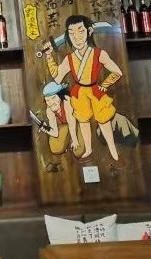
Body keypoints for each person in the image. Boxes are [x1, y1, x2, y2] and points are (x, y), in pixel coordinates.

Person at [44, 15, 123, 161]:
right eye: (71, 33)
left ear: (89, 31)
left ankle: (113, 149)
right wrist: (49, 56)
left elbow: (117, 72)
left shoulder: (99, 54)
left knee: (104, 120)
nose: (76, 37)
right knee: (83, 122)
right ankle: (88, 149)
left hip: (95, 90)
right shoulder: (69, 58)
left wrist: (105, 84)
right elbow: (57, 77)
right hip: (79, 92)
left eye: (80, 31)